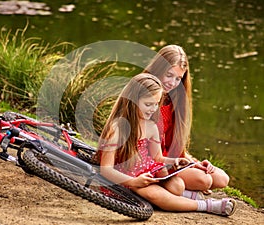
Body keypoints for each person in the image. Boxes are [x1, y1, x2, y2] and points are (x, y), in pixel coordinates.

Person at [96, 73, 237, 216]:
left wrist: (174, 161)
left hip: (146, 171)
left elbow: (157, 157)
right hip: (125, 176)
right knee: (155, 195)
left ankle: (181, 196)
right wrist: (134, 182)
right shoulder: (117, 129)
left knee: (178, 186)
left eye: (156, 104)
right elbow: (106, 170)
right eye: (148, 104)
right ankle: (207, 205)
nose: (153, 109)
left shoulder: (151, 126)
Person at [143, 44, 230, 193]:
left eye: (178, 78)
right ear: (158, 69)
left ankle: (185, 186)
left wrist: (191, 162)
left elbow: (173, 146)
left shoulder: (174, 101)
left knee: (222, 179)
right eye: (168, 75)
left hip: (171, 160)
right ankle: (185, 191)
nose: (172, 83)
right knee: (204, 180)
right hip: (153, 161)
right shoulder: (145, 97)